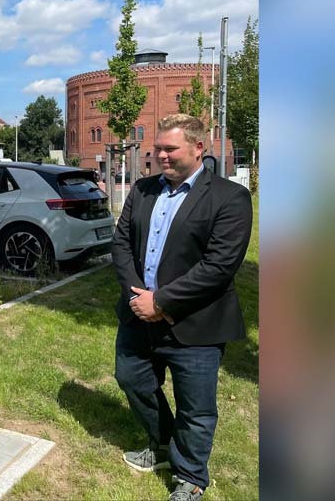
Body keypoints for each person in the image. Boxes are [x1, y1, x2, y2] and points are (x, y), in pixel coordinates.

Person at [110, 113, 253, 501]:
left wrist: (162, 301)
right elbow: (121, 244)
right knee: (132, 379)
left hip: (196, 323)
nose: (160, 155)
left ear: (198, 148)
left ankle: (190, 478)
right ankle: (162, 446)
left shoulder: (229, 197)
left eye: (170, 149)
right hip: (139, 315)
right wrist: (138, 296)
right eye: (157, 148)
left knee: (196, 408)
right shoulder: (142, 190)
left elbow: (219, 266)